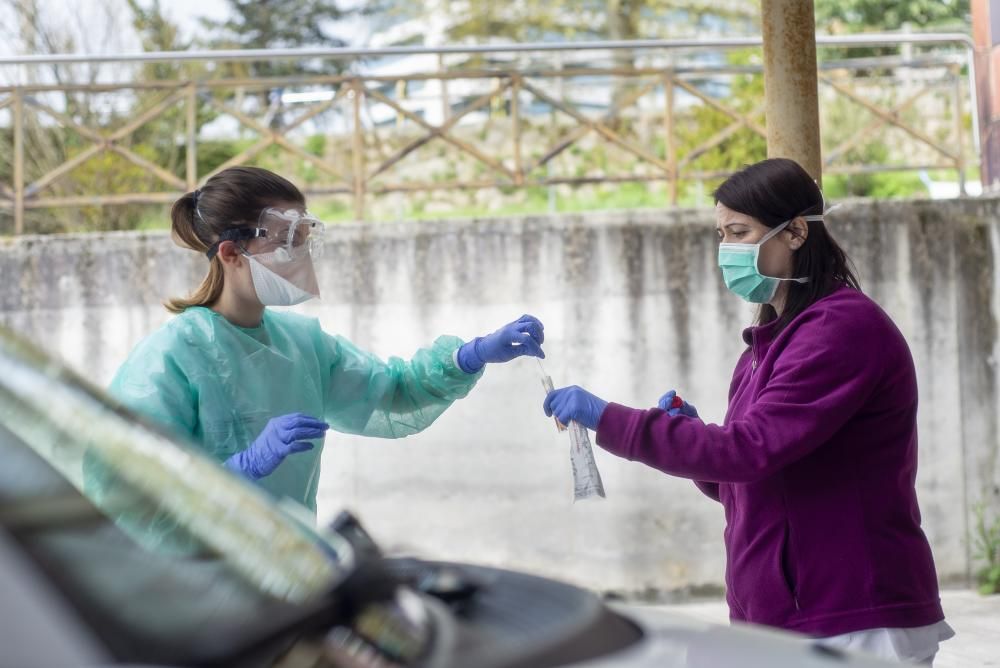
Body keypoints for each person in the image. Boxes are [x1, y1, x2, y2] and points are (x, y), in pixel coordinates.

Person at [542, 158, 953, 664]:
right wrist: (692, 435)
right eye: (720, 235)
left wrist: (609, 418)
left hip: (852, 614)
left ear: (797, 232)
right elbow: (748, 477)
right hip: (787, 620)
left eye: (739, 232)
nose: (725, 251)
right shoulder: (767, 346)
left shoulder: (842, 330)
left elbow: (747, 452)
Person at [89, 166, 544, 521]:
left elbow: (393, 394)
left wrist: (472, 354)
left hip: (287, 566)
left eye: (304, 239)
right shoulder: (173, 355)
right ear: (230, 254)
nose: (300, 256)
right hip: (198, 581)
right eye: (287, 241)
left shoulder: (301, 346)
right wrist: (237, 471)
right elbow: (126, 487)